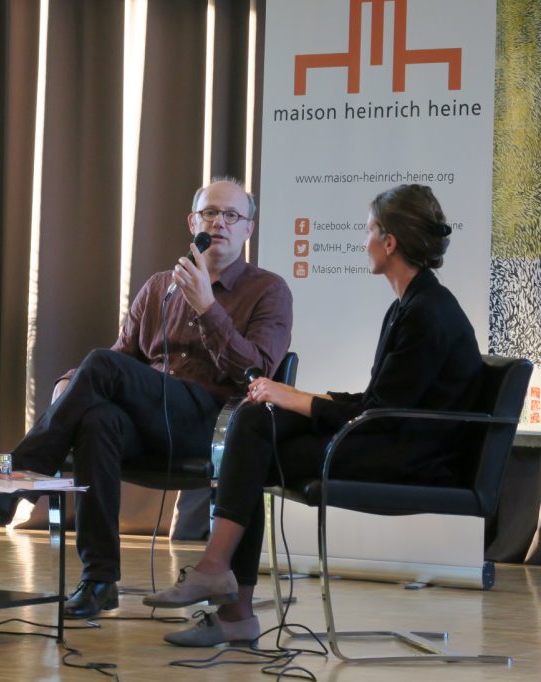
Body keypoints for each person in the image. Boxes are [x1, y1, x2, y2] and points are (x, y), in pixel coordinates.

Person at [144, 184, 483, 647]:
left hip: (412, 457)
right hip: (390, 436)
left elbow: (381, 413)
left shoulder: (428, 312)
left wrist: (295, 399)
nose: (364, 240)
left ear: (389, 243)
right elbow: (381, 397)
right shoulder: (410, 304)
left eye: (369, 231)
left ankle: (227, 594)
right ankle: (221, 583)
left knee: (255, 447)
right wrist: (288, 397)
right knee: (254, 419)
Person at [0, 177, 293, 619]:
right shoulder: (159, 287)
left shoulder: (269, 290)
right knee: (96, 420)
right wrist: (69, 385)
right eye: (210, 213)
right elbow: (121, 358)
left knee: (99, 367)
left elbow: (258, 371)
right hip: (148, 421)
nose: (220, 223)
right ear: (193, 223)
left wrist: (208, 308)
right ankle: (99, 580)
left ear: (249, 229)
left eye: (232, 215)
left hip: (211, 423)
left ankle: (16, 480)